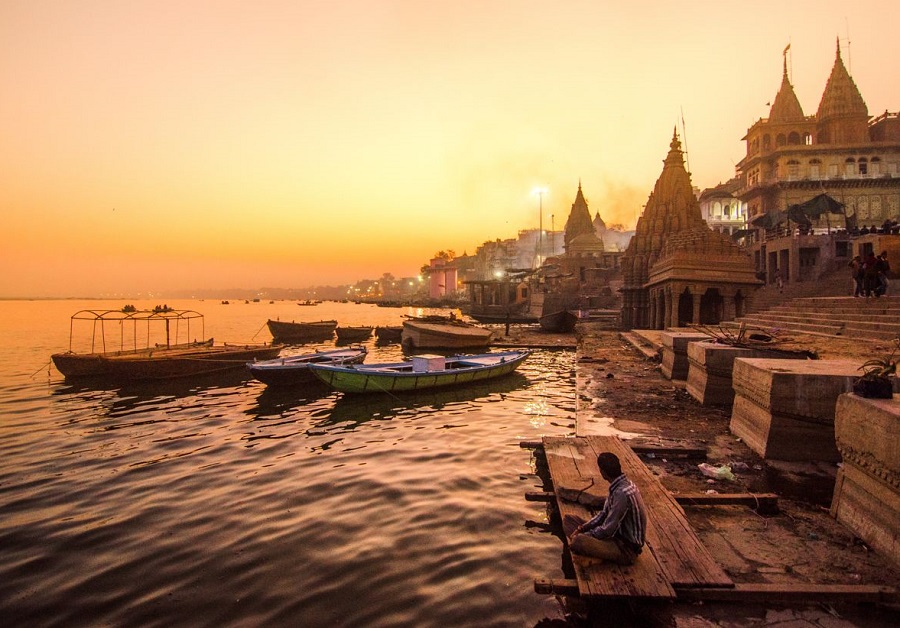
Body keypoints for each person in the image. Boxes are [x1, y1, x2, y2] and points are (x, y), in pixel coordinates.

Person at [562, 452, 647, 565]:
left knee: (579, 541)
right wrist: (581, 528)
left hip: (626, 549)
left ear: (602, 472)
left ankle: (599, 557)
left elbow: (608, 529)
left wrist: (585, 536)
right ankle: (593, 551)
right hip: (614, 537)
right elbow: (603, 515)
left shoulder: (621, 494)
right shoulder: (619, 486)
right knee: (568, 520)